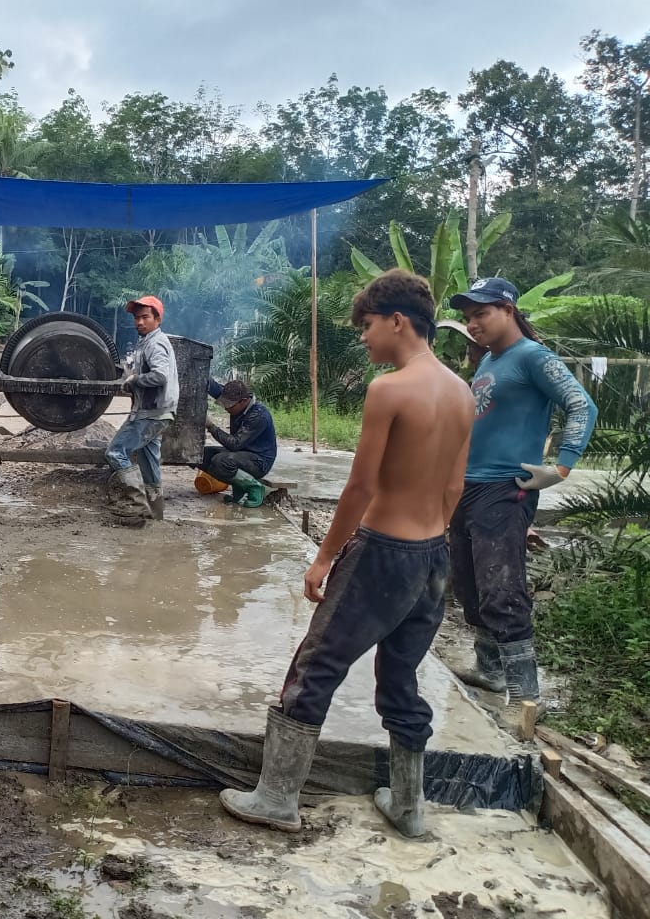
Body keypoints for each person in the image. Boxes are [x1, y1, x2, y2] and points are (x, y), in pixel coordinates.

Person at [220, 269, 473, 839]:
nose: (363, 337)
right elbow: (455, 487)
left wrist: (324, 559)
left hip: (382, 554)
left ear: (398, 321)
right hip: (434, 556)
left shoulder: (389, 390)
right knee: (401, 678)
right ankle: (408, 806)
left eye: (367, 326)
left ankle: (278, 797)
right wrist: (430, 542)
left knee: (317, 666)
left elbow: (359, 488)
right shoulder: (461, 393)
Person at [446, 278, 596, 725]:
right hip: (468, 486)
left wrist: (561, 466)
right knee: (469, 582)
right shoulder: (490, 360)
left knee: (501, 587)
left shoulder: (533, 357)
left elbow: (580, 404)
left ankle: (526, 694)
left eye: (482, 314)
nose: (473, 324)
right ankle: (490, 670)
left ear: (508, 310)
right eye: (469, 317)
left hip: (504, 489)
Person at [105, 295, 178, 520]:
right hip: (159, 412)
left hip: (151, 414)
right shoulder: (148, 341)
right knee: (148, 464)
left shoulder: (155, 343)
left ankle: (136, 505)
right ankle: (156, 514)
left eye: (145, 317)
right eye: (137, 318)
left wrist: (135, 380)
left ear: (157, 319)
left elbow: (160, 376)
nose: (139, 322)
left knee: (115, 452)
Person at [202, 379, 277, 508]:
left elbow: (234, 444)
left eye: (229, 406)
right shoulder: (234, 397)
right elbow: (211, 386)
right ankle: (240, 489)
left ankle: (254, 487)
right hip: (242, 454)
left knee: (222, 461)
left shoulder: (258, 416)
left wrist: (211, 426)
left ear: (243, 401)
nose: (226, 408)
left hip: (259, 461)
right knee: (201, 455)